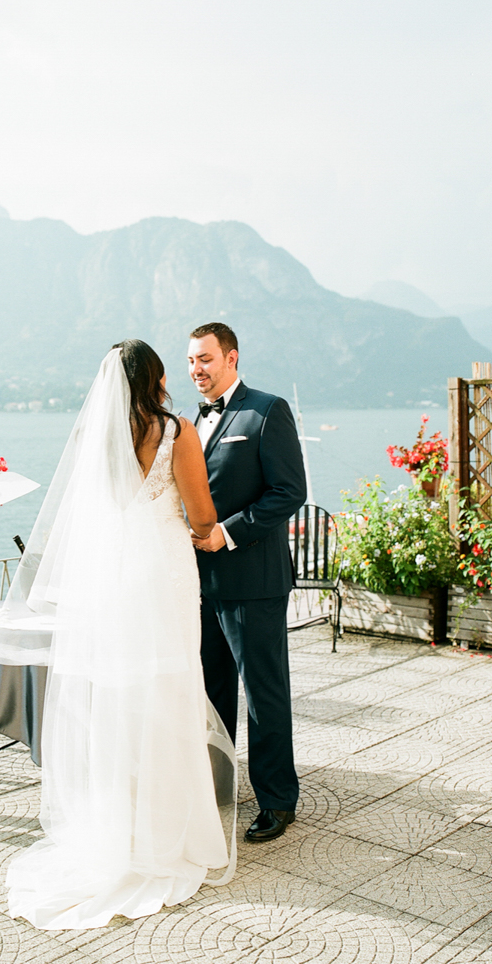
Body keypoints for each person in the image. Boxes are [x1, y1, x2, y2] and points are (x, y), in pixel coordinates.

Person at [0, 341, 236, 929]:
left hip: (111, 580)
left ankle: (116, 827)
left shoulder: (96, 439)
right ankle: (168, 830)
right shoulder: (176, 431)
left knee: (116, 694)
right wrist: (204, 527)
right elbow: (201, 515)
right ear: (157, 377)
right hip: (165, 574)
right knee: (168, 687)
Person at [184, 322, 307, 842]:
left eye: (206, 359)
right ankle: (217, 787)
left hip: (254, 581)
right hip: (201, 585)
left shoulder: (266, 410)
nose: (197, 370)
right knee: (211, 694)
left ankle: (278, 801)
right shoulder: (193, 420)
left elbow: (289, 491)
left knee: (264, 695)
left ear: (232, 357)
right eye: (192, 361)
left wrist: (227, 535)